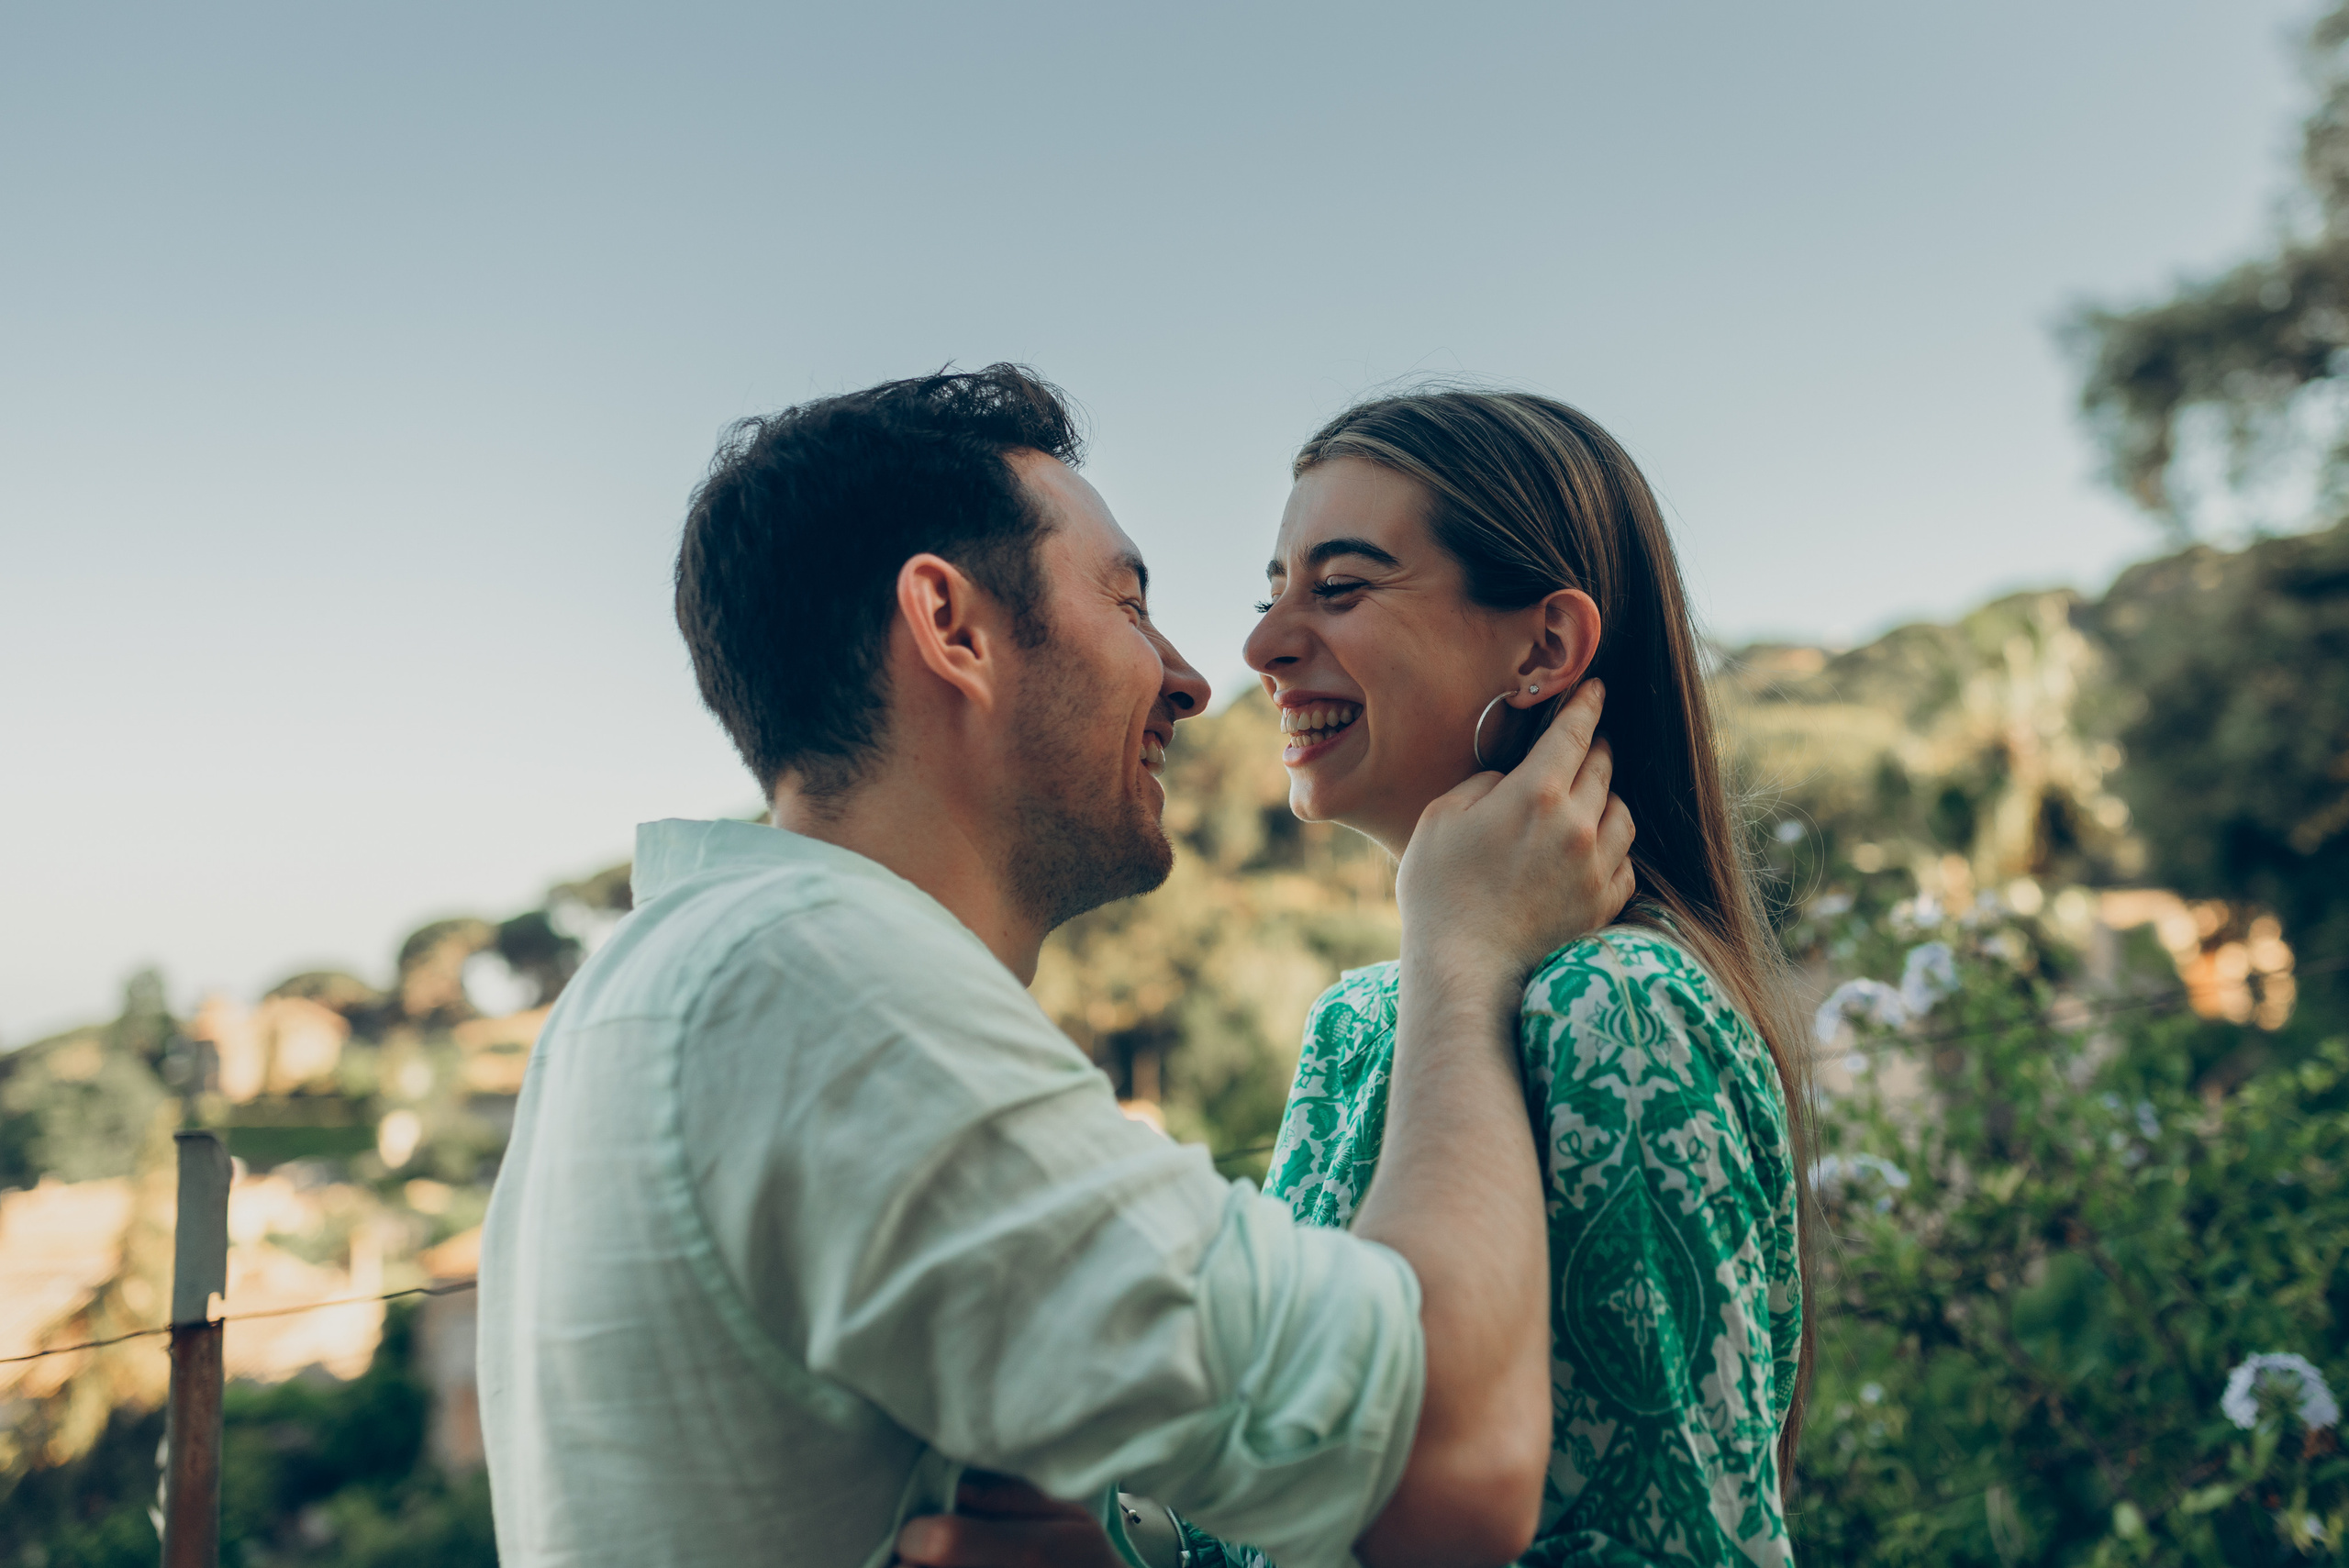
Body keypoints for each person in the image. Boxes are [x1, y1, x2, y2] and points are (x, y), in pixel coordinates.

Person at [474, 367, 1639, 1568]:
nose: (1194, 676)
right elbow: (1448, 1460)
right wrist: (1462, 957)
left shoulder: (655, 989)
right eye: (1129, 604)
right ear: (953, 627)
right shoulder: (827, 995)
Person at [901, 389, 1814, 1568]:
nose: (1261, 646)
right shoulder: (1367, 1018)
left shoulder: (1623, 1008)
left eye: (1339, 587)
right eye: (1270, 591)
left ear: (1543, 646)